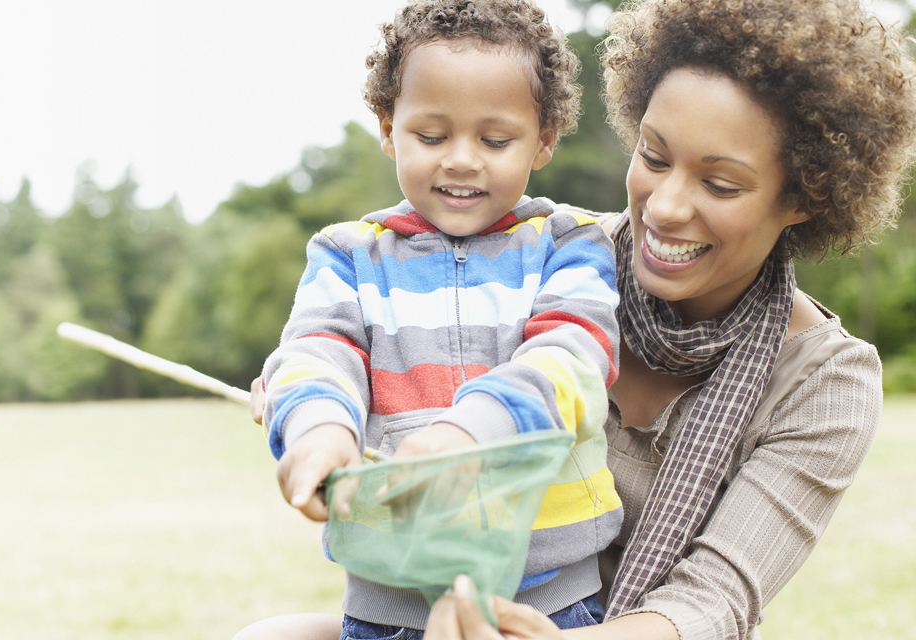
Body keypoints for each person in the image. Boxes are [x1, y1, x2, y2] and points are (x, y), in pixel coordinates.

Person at [244, 0, 916, 638]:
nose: (667, 207)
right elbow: (344, 341)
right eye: (653, 156)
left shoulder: (827, 381)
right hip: (442, 601)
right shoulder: (550, 255)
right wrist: (312, 401)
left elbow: (713, 603)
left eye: (720, 184)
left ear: (803, 195)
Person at [248, 0, 622, 636]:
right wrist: (318, 428)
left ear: (546, 138)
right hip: (387, 605)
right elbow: (315, 353)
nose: (461, 160)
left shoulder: (570, 244)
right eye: (431, 136)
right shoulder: (347, 255)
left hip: (546, 603)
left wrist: (470, 434)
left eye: (496, 140)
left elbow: (570, 358)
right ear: (389, 127)